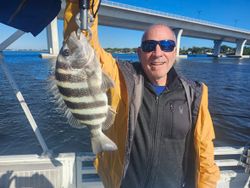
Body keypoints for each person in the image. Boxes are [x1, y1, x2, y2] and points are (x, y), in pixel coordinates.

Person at [64, 0, 220, 187]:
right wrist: (83, 4)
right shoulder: (120, 79)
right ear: (139, 53)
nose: (157, 53)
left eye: (166, 45)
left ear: (175, 52)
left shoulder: (195, 94)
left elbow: (205, 155)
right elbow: (82, 46)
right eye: (149, 46)